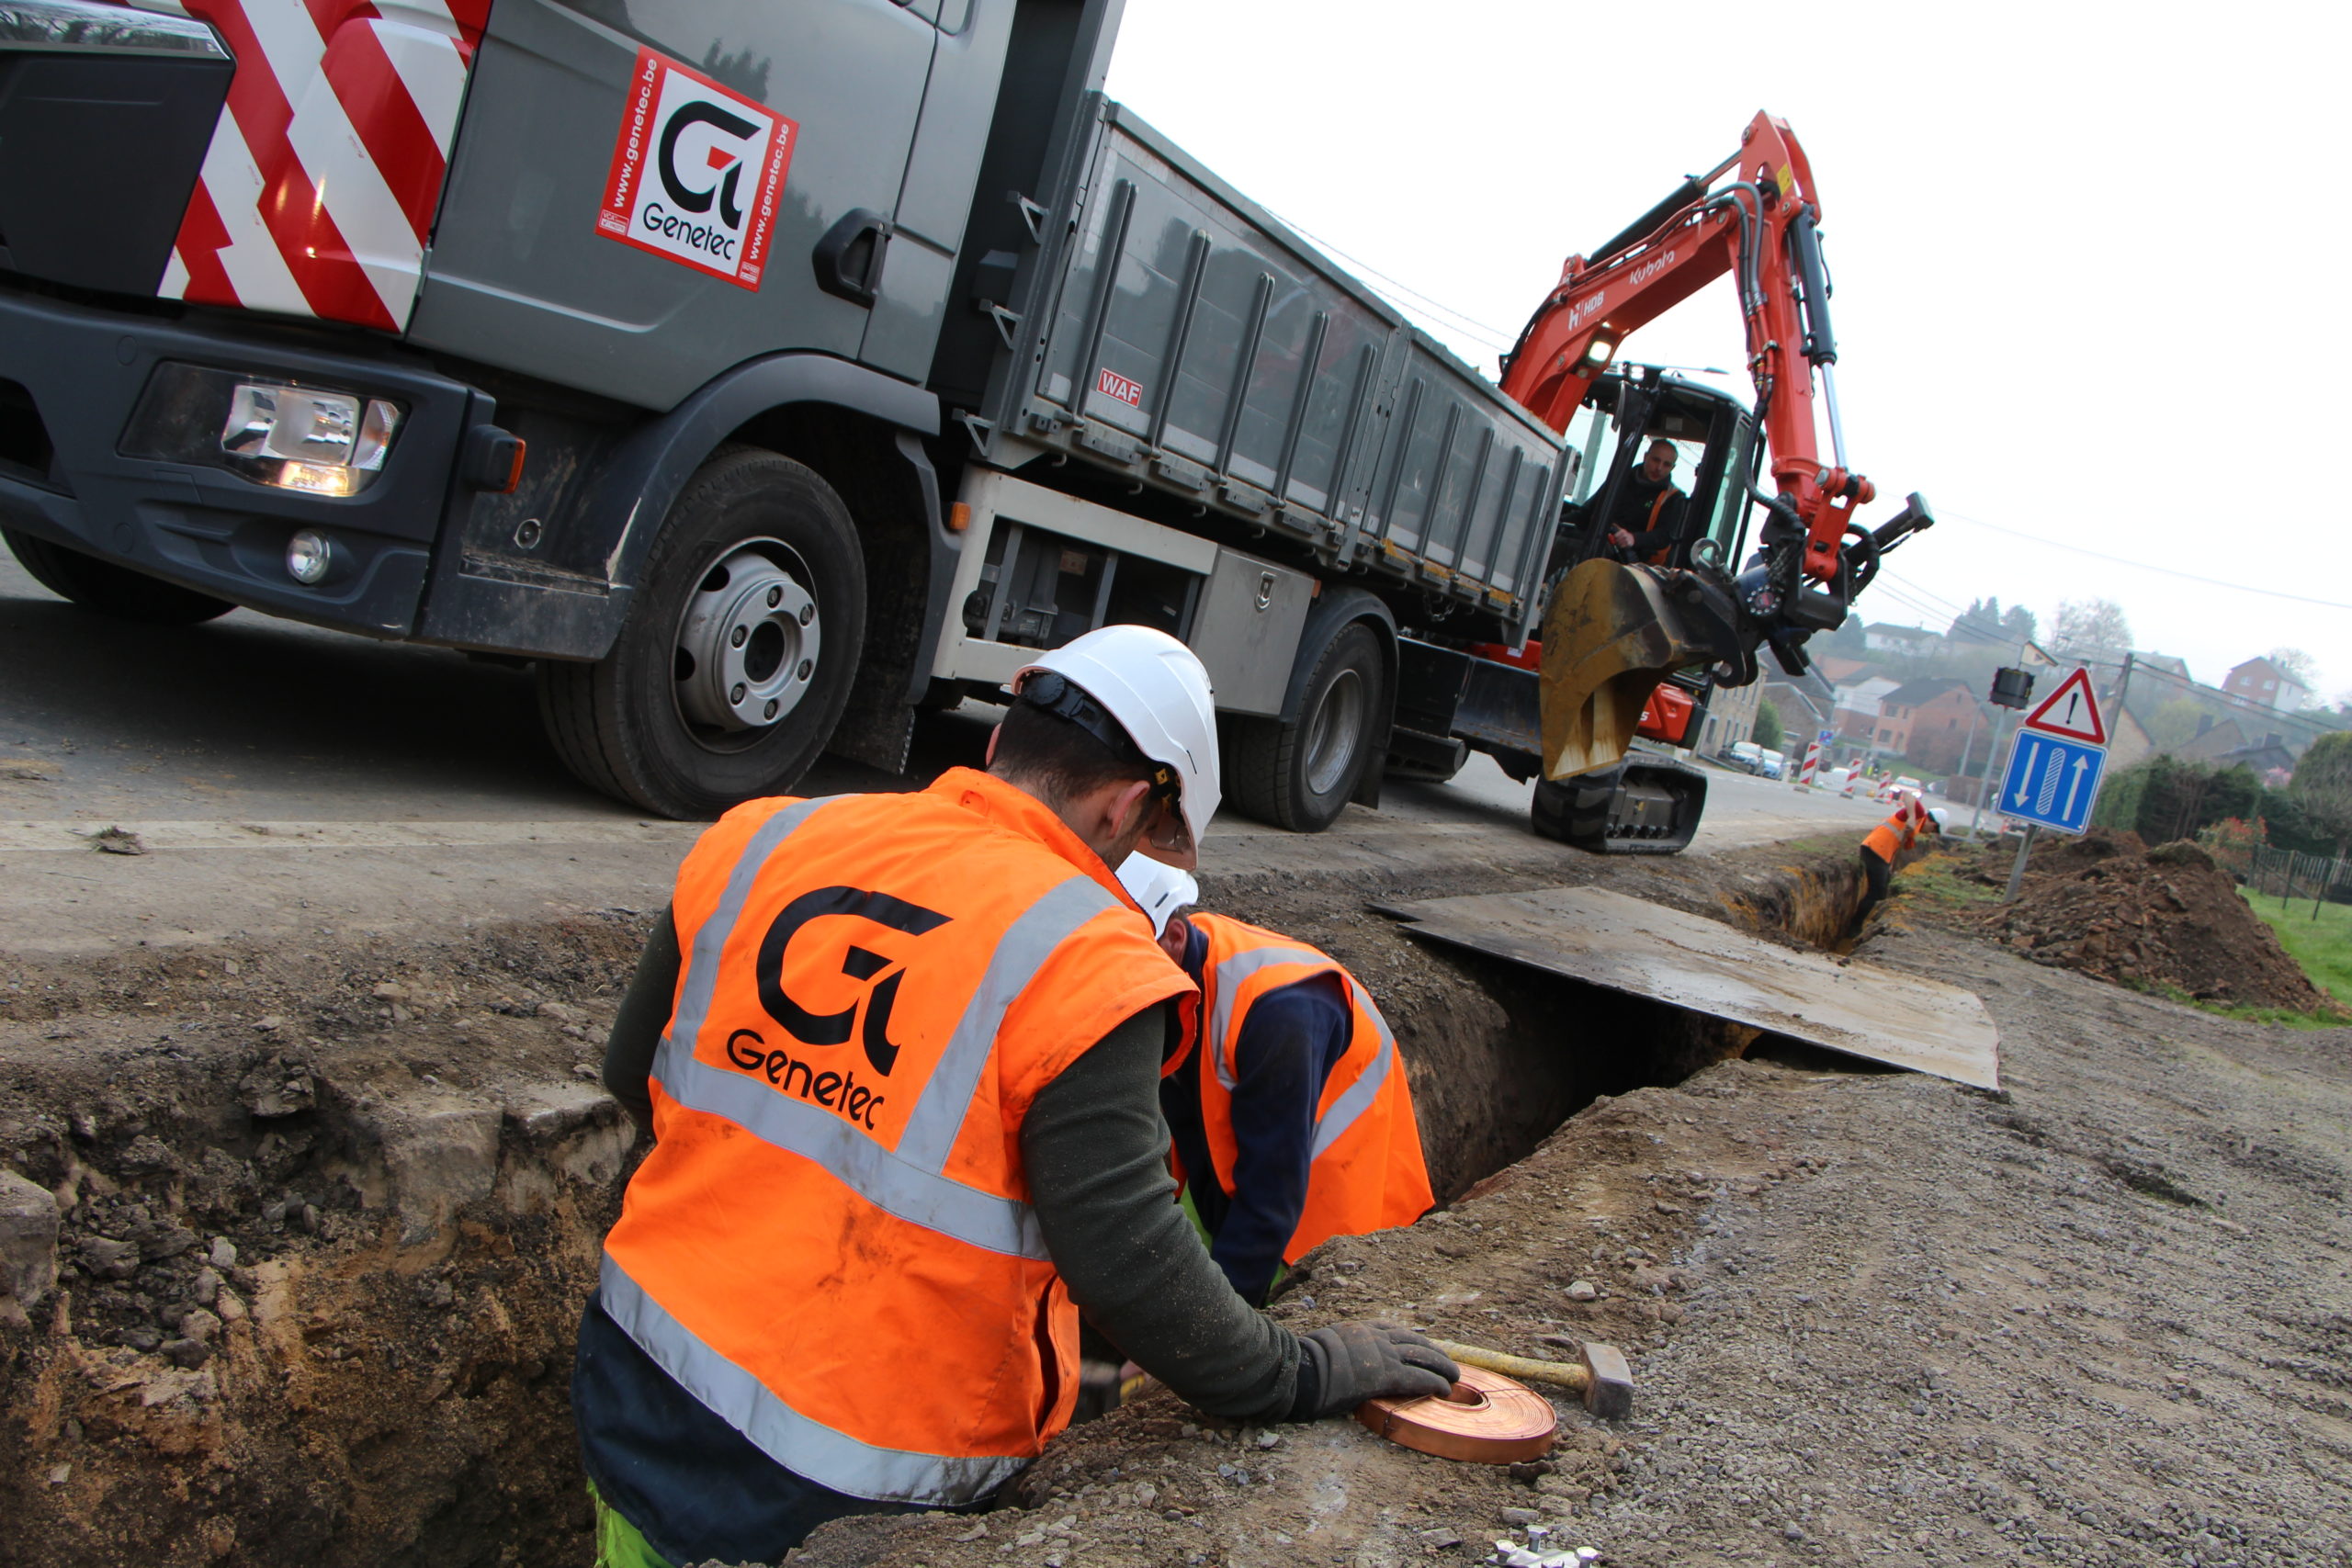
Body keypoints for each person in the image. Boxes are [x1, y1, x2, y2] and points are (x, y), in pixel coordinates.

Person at [572, 625, 1458, 1568]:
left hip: (637, 1378)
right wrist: (1301, 1371)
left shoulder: (764, 835)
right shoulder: (1086, 959)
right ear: (1125, 808)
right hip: (851, 1486)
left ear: (999, 742)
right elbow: (1129, 1264)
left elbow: (637, 1073)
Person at [1118, 856, 1435, 1307]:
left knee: (1270, 1322)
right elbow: (1186, 1114)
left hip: (1328, 1210)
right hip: (1244, 1170)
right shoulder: (1178, 963)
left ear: (1172, 936)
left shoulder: (1279, 1014)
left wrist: (1213, 1324)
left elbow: (1272, 1188)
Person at [1855, 795, 1936, 926]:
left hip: (1882, 854)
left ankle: (1865, 922)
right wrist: (1911, 817)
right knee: (1877, 892)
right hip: (1875, 849)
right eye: (1933, 829)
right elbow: (1908, 795)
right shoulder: (1919, 814)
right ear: (1933, 823)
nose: (1930, 833)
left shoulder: (1916, 828)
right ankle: (1856, 926)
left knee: (1883, 888)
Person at [1605, 438, 1687, 562]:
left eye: (1666, 464)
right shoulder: (1620, 481)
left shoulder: (1674, 497)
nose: (1659, 468)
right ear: (1645, 457)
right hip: (1602, 545)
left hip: (1637, 564)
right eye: (1656, 460)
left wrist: (1634, 538)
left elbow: (1663, 536)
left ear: (1672, 468)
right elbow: (1589, 510)